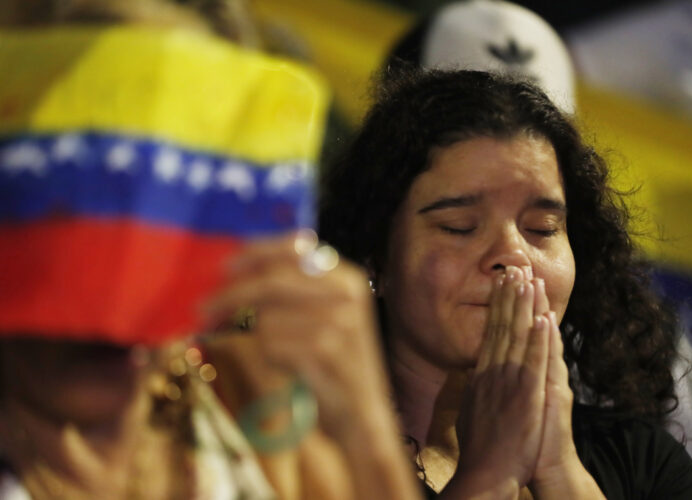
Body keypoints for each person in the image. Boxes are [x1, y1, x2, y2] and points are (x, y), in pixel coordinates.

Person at [0, 2, 420, 499]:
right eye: (77, 181)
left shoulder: (256, 399)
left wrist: (365, 432)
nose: (128, 243)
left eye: (178, 180)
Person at [319, 67, 692, 499]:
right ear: (375, 256)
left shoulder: (644, 463)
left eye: (542, 229)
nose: (513, 256)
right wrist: (491, 473)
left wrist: (558, 468)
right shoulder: (305, 452)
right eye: (460, 227)